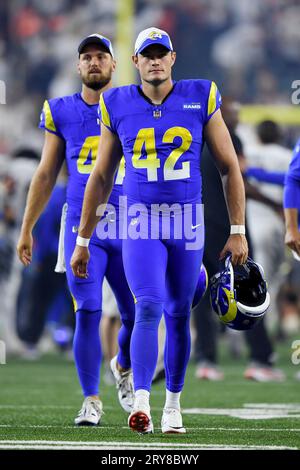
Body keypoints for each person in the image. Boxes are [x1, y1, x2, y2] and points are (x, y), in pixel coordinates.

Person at [71, 27, 248, 434]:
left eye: (160, 53)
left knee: (180, 312)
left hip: (186, 219)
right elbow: (100, 176)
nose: (154, 60)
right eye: (146, 54)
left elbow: (229, 167)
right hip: (141, 221)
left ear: (171, 59)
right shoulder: (115, 102)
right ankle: (144, 404)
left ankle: (173, 404)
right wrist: (83, 239)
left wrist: (237, 229)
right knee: (148, 306)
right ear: (135, 62)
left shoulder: (201, 95)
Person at [17, 34, 135, 425]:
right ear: (78, 66)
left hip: (129, 221)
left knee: (138, 313)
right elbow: (47, 172)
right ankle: (92, 400)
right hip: (81, 225)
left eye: (102, 56)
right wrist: (27, 227)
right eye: (87, 57)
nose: (94, 62)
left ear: (114, 64)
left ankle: (123, 364)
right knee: (87, 310)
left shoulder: (134, 103)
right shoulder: (61, 110)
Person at [194, 98, 285, 382]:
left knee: (203, 295)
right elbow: (240, 180)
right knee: (249, 288)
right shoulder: (229, 138)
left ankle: (207, 360)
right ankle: (260, 358)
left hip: (198, 227)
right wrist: (274, 204)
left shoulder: (195, 139)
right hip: (230, 229)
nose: (235, 118)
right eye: (231, 114)